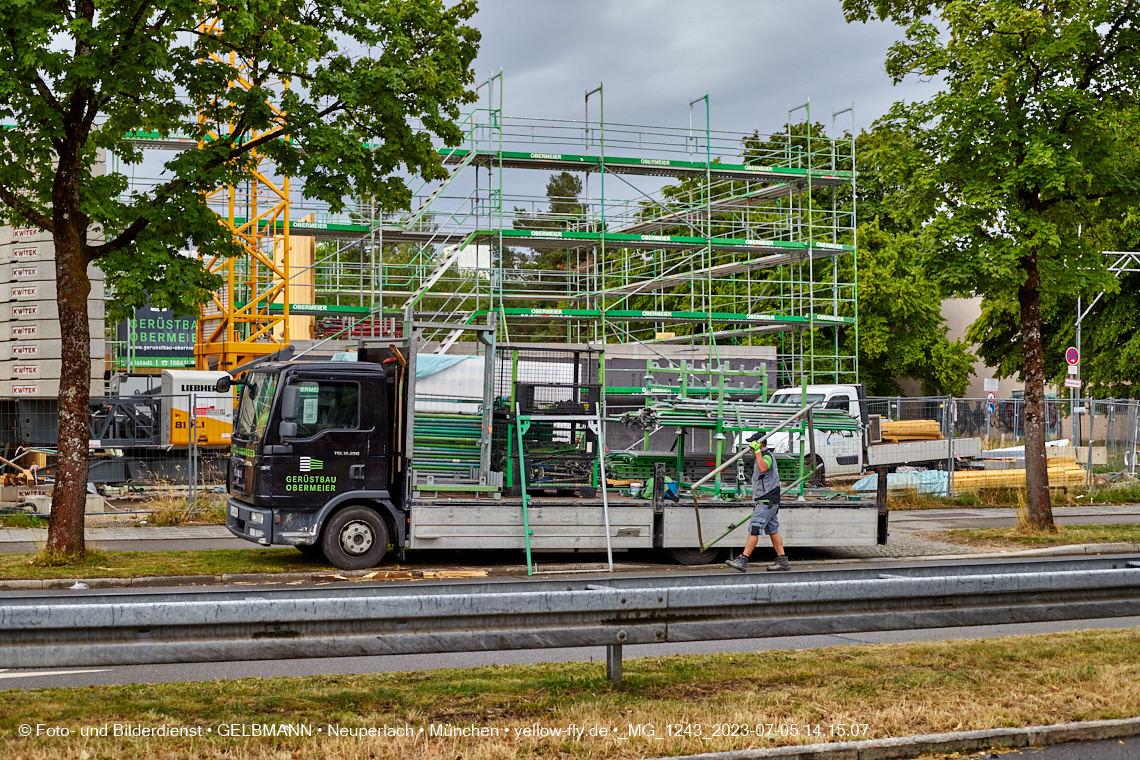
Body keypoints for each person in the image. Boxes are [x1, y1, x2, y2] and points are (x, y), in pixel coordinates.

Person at [725, 438, 790, 572]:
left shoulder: (766, 456)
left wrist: (758, 451)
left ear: (760, 443)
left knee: (754, 528)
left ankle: (743, 560)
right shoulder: (761, 455)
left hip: (766, 502)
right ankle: (783, 560)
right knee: (773, 530)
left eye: (752, 442)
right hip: (768, 501)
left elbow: (763, 468)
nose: (749, 445)